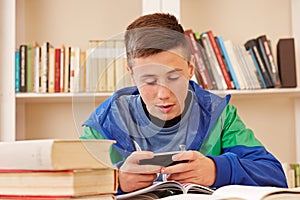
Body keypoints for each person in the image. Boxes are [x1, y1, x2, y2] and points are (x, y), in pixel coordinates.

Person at [80, 13, 287, 193]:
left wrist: (216, 170)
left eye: (173, 77)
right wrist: (117, 181)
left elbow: (275, 176)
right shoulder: (106, 120)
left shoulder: (219, 114)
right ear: (132, 75)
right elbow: (68, 184)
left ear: (190, 68)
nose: (163, 93)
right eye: (149, 81)